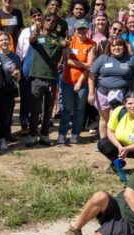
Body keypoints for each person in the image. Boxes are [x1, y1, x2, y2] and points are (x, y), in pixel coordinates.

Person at [27, 13, 64, 146]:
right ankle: (32, 135)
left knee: (48, 109)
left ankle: (44, 135)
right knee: (35, 108)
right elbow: (31, 40)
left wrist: (67, 42)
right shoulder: (37, 36)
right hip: (37, 77)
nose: (50, 22)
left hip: (52, 78)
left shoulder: (57, 38)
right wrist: (36, 33)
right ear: (42, 22)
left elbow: (64, 44)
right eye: (47, 20)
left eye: (53, 21)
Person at [97, 91, 134, 170]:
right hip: (121, 147)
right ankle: (117, 163)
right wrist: (119, 147)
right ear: (124, 104)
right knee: (102, 143)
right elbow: (110, 131)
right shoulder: (118, 111)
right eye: (130, 103)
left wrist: (128, 148)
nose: (133, 106)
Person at [59, 19, 95, 145]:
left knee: (79, 109)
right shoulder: (70, 41)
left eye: (84, 28)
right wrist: (84, 64)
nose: (81, 31)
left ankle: (75, 134)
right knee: (66, 109)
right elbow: (67, 60)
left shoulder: (91, 44)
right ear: (75, 30)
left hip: (83, 82)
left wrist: (80, 81)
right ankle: (62, 134)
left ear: (88, 29)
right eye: (79, 29)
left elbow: (90, 67)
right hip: (67, 81)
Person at [0, 32, 22, 153]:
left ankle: (2, 139)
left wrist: (17, 75)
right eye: (1, 40)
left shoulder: (16, 58)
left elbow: (18, 78)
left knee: (5, 117)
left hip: (8, 91)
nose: (4, 42)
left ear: (10, 41)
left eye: (6, 40)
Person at [16, 8, 42, 133]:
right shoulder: (25, 32)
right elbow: (19, 52)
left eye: (39, 15)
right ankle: (24, 123)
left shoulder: (45, 32)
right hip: (26, 66)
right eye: (34, 15)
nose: (37, 17)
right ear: (31, 18)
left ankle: (35, 122)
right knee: (26, 96)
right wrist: (19, 68)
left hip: (41, 68)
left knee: (38, 97)